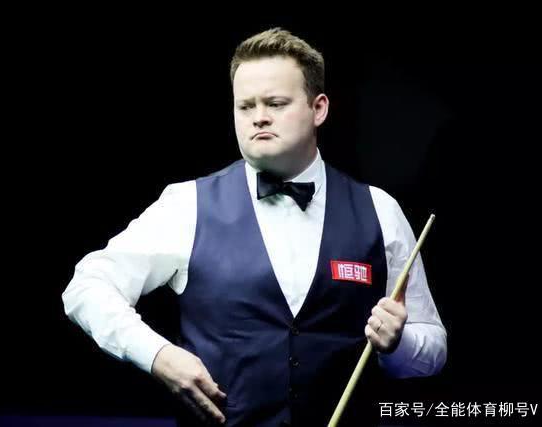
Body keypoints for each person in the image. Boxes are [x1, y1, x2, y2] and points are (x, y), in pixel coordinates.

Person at [62, 27, 447, 427]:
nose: (259, 116)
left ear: (318, 109)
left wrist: (397, 344)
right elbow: (87, 286)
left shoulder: (379, 210)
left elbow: (433, 349)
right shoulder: (186, 205)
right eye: (245, 106)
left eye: (275, 103)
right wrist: (158, 356)